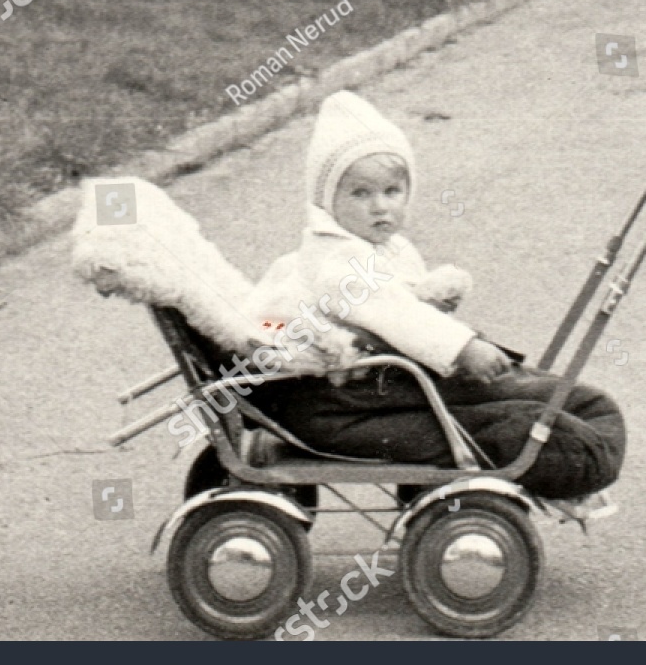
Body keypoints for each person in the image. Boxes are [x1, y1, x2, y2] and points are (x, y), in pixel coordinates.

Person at [247, 90, 625, 508]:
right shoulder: (339, 258)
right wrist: (462, 346)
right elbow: (397, 314)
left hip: (364, 393)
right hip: (337, 405)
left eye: (393, 191)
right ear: (325, 200)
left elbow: (401, 304)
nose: (380, 207)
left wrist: (436, 312)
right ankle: (564, 455)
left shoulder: (381, 247)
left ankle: (568, 436)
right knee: (515, 410)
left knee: (543, 399)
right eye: (360, 194)